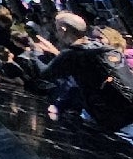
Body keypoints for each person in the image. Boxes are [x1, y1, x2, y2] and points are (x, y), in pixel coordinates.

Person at [30, 11, 133, 142]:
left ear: (63, 29)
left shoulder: (70, 55)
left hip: (112, 117)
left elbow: (44, 75)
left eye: (56, 28)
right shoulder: (102, 47)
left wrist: (36, 52)